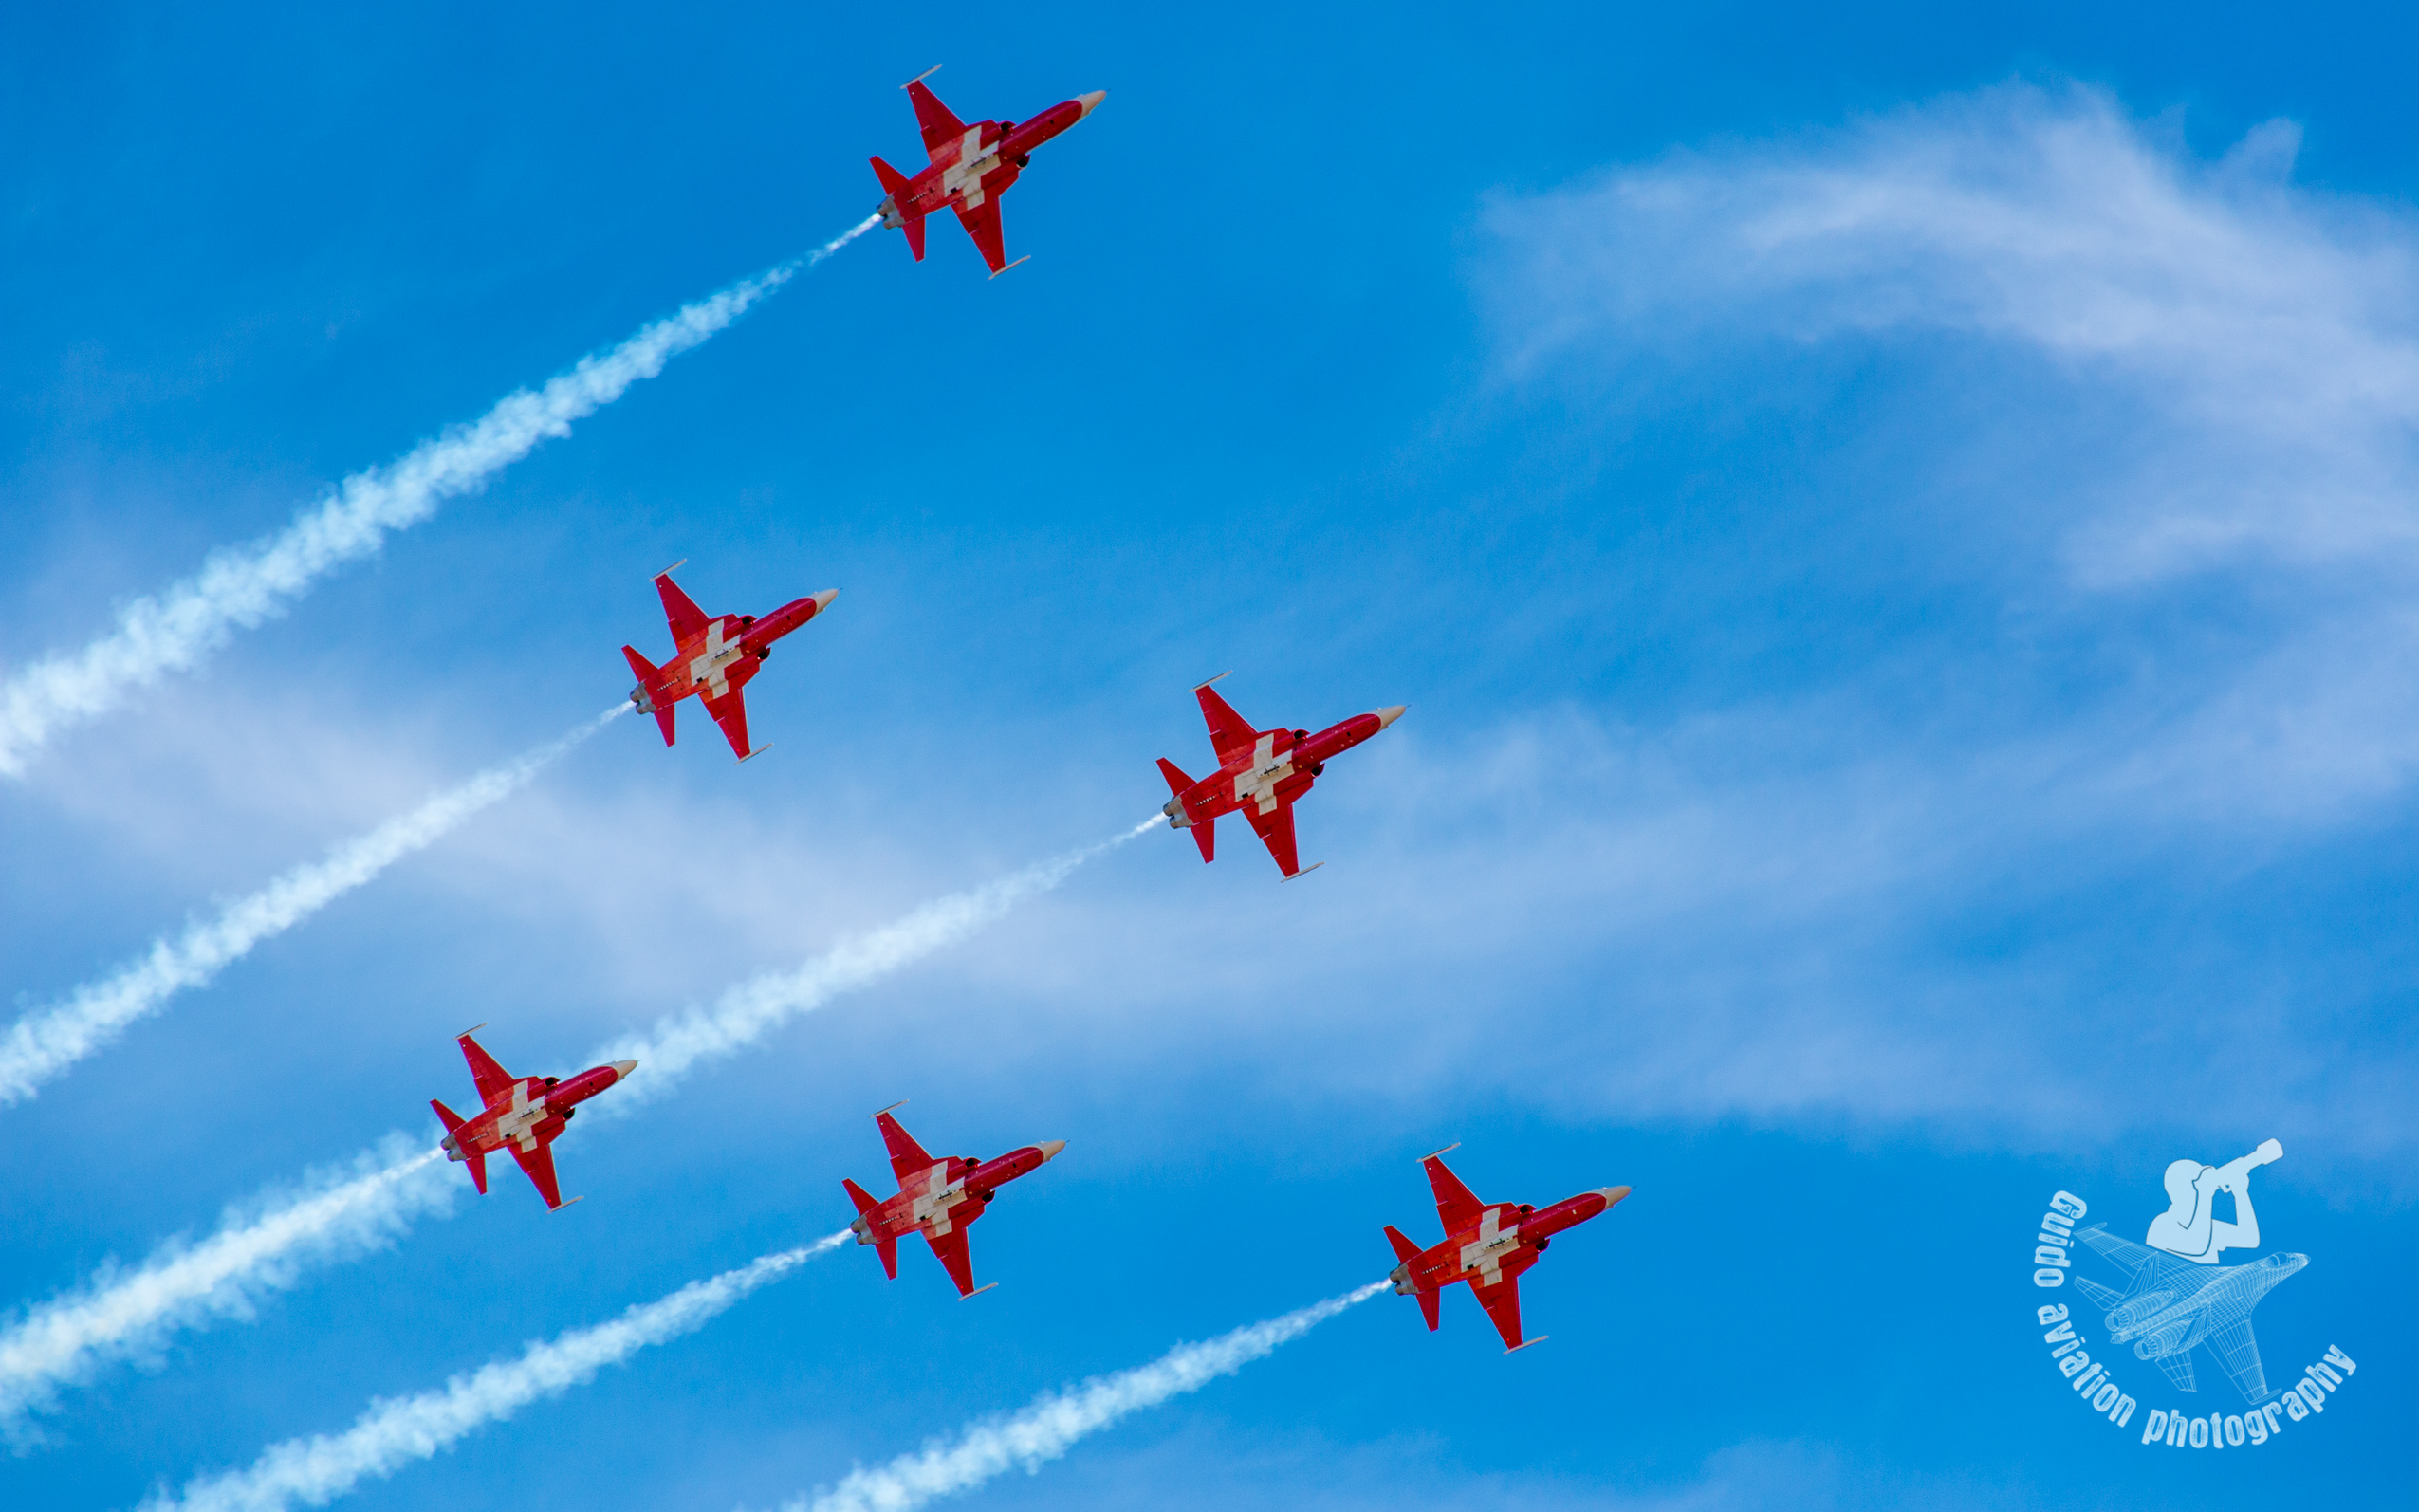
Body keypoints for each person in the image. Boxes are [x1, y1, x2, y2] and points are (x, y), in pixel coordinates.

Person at [2145, 1139, 2281, 1264]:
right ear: (2181, 1188)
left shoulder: (2207, 1227)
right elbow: (2196, 1245)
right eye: (2200, 1179)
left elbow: (2250, 1239)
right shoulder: (2161, 1225)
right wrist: (2204, 1193)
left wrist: (2240, 1194)